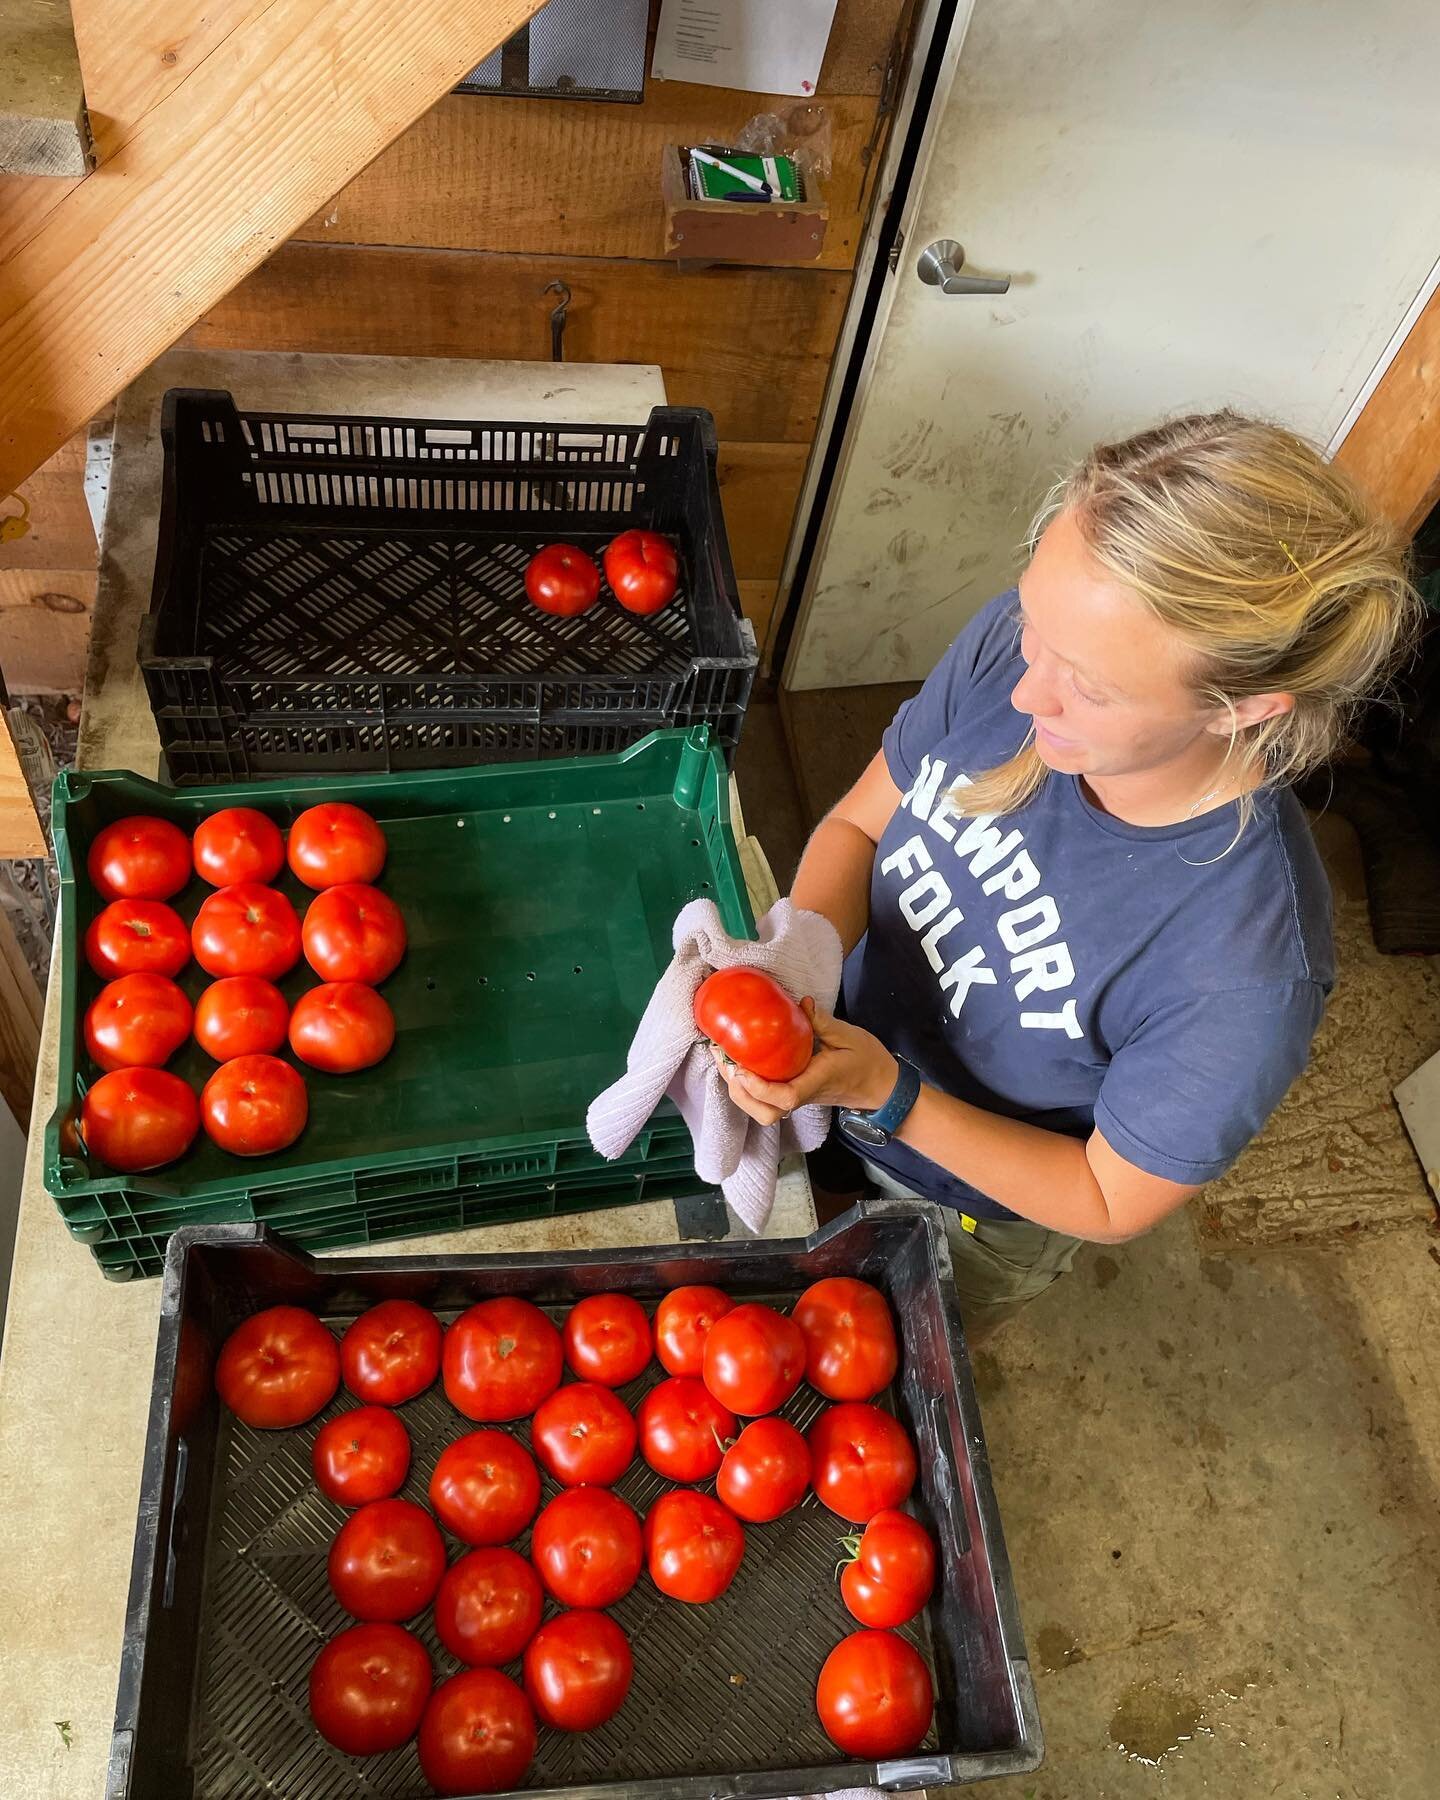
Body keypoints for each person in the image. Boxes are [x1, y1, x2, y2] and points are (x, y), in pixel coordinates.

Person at [718, 412, 1418, 1336]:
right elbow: (856, 823)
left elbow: (1106, 1196)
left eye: (1087, 684)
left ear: (1242, 708)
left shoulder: (1244, 970)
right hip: (831, 1066)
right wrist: (801, 961)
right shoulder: (1035, 643)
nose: (1023, 688)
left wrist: (889, 1095)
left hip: (967, 1204)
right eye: (1034, 625)